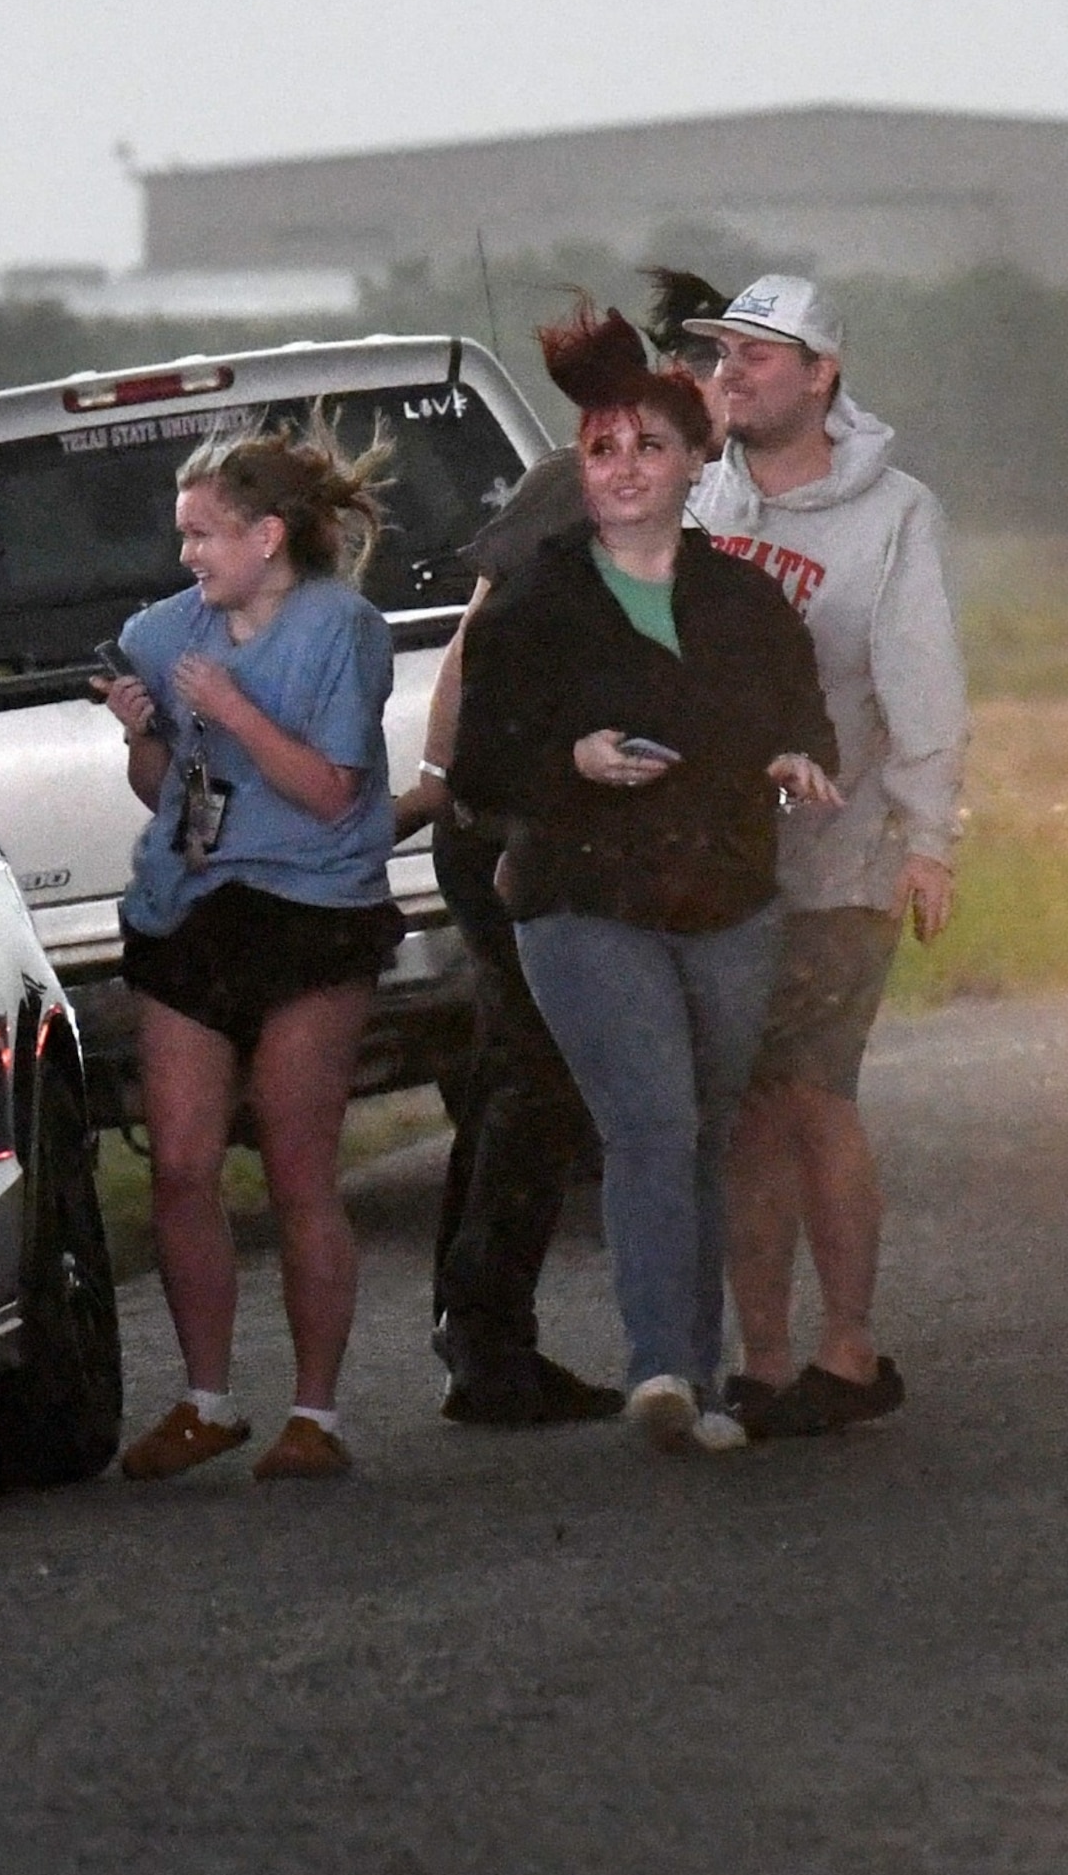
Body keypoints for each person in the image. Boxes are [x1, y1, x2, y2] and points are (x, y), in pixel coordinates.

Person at [450, 304, 838, 1454]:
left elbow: (801, 716)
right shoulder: (535, 601)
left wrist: (796, 756)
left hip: (727, 898)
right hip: (582, 899)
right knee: (652, 1124)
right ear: (581, 467)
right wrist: (567, 762)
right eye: (603, 449)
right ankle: (662, 1370)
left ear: (692, 464)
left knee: (707, 1130)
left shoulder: (745, 599)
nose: (622, 470)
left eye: (648, 448)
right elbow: (478, 771)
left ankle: (703, 1379)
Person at [400, 269, 731, 1424]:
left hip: (566, 824)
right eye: (706, 367)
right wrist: (452, 795)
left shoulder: (689, 499)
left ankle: (481, 1332)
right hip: (521, 824)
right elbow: (475, 650)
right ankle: (487, 1339)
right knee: (537, 1079)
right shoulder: (575, 485)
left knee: (519, 1076)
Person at [681, 276, 968, 1439]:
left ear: (823, 374)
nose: (733, 371)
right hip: (719, 863)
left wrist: (929, 837)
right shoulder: (695, 496)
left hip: (843, 854)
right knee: (746, 1110)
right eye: (723, 354)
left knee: (812, 1093)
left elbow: (922, 679)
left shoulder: (893, 511)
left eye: (760, 353)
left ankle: (849, 1350)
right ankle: (763, 1358)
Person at [96, 418, 403, 1483]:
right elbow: (163, 787)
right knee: (181, 1165)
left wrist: (230, 710)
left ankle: (313, 1413)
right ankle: (206, 1399)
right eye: (182, 537)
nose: (189, 557)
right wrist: (146, 732)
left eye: (206, 536)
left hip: (311, 904)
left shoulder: (341, 631)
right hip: (190, 902)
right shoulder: (160, 633)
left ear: (269, 536)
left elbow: (331, 793)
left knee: (295, 1159)